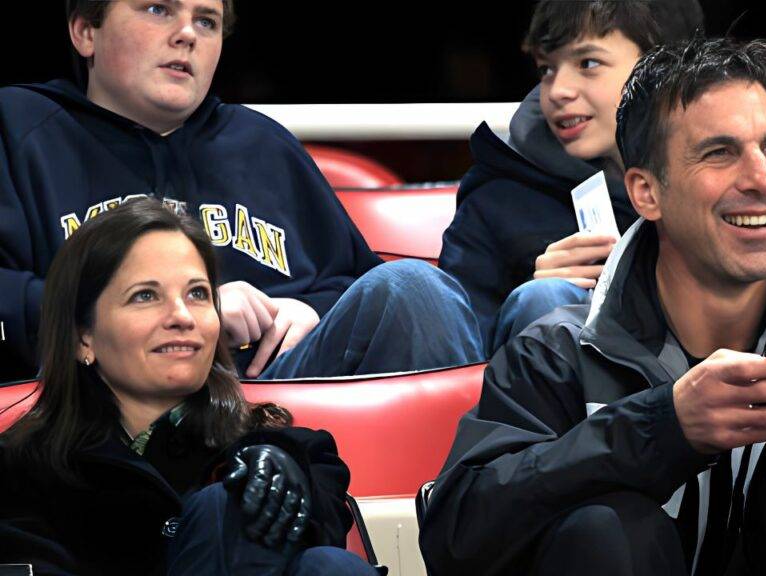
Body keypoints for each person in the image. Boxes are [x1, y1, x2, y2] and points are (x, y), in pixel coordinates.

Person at [419, 37, 766, 575]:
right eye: (720, 153)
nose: (763, 180)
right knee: (604, 531)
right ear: (646, 193)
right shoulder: (557, 351)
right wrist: (660, 428)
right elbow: (458, 540)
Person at [0, 0, 482, 383]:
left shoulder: (264, 144)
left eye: (207, 21)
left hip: (283, 401)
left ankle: (460, 498)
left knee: (419, 289)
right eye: (157, 9)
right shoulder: (21, 128)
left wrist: (312, 310)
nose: (187, 33)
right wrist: (187, 310)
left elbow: (358, 283)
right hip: (112, 406)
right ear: (86, 30)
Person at [0, 198, 377, 575]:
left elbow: (325, 512)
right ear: (84, 337)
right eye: (145, 296)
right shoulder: (23, 473)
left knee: (327, 566)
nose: (182, 316)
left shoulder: (284, 448)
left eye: (197, 293)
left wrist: (290, 474)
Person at [438, 0, 766, 355]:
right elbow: (459, 352)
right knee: (547, 302)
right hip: (573, 427)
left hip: (746, 406)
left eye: (587, 63)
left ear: (660, 68)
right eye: (547, 69)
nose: (557, 90)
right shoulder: (497, 192)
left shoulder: (760, 184)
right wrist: (527, 298)